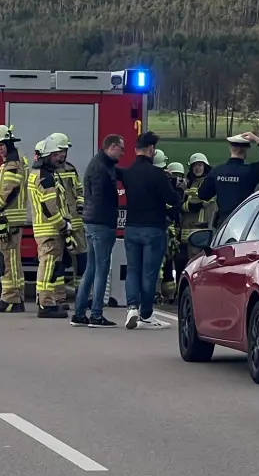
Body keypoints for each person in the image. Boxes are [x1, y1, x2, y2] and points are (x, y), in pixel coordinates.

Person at [119, 132, 179, 329]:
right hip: (153, 228)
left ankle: (132, 307)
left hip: (132, 227)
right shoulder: (157, 174)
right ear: (151, 150)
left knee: (133, 270)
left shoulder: (128, 172)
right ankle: (146, 314)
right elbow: (172, 200)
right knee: (149, 273)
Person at [74, 134, 125, 327]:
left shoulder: (100, 164)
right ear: (112, 147)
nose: (123, 152)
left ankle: (79, 314)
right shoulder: (102, 170)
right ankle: (96, 314)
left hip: (90, 222)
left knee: (91, 269)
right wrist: (112, 222)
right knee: (102, 270)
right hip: (101, 224)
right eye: (121, 148)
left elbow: (120, 173)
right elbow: (103, 199)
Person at [0, 125, 27, 313]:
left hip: (7, 219)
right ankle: (14, 297)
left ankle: (11, 299)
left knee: (8, 260)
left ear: (9, 142)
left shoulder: (12, 164)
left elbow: (10, 189)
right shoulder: (13, 161)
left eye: (2, 144)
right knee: (10, 260)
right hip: (8, 219)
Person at [200, 132, 259, 230]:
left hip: (223, 225)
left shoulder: (218, 171)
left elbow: (203, 194)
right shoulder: (250, 171)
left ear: (230, 148)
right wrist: (256, 139)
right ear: (246, 150)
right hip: (244, 223)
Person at [27, 139, 69, 319]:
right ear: (46, 156)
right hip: (49, 229)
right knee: (48, 266)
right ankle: (45, 304)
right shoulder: (45, 177)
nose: (57, 158)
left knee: (49, 265)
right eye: (53, 155)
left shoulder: (36, 174)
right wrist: (63, 225)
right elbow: (50, 206)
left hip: (43, 228)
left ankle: (46, 301)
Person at [48, 132, 86, 308]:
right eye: (60, 150)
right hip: (58, 224)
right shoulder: (47, 172)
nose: (63, 154)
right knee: (58, 262)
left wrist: (80, 205)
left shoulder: (70, 169)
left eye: (64, 150)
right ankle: (59, 298)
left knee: (82, 261)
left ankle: (83, 295)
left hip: (75, 223)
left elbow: (79, 191)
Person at [160, 161, 187, 304]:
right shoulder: (169, 189)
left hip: (179, 232)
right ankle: (165, 294)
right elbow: (172, 206)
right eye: (174, 176)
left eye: (179, 176)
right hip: (168, 230)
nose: (177, 179)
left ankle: (171, 293)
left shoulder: (185, 188)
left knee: (177, 263)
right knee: (166, 263)